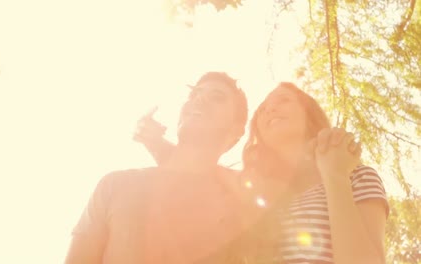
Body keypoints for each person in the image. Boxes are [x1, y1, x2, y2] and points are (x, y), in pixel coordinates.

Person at [135, 82, 389, 263]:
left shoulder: (355, 175)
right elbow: (202, 173)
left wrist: (334, 175)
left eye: (283, 100)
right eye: (264, 108)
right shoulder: (253, 189)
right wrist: (157, 143)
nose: (270, 109)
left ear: (308, 115)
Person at [65, 71, 256, 264]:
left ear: (237, 130)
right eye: (194, 94)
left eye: (217, 97)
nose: (199, 100)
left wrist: (159, 146)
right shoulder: (115, 185)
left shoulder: (242, 201)